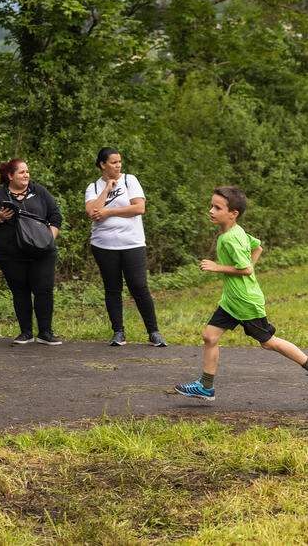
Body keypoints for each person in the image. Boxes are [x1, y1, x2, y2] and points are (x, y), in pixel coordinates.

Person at [175, 187, 308, 401]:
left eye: (217, 207)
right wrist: (247, 272)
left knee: (269, 342)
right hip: (231, 301)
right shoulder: (236, 232)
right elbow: (258, 248)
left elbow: (245, 268)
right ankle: (205, 386)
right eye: (212, 206)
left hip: (245, 302)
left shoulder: (231, 239)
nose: (211, 210)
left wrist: (217, 267)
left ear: (233, 213)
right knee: (209, 336)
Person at [84, 147, 167, 347]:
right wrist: (107, 189)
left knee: (139, 286)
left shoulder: (130, 180)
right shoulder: (93, 187)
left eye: (119, 161)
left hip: (132, 243)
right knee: (112, 289)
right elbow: (92, 211)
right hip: (104, 245)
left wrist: (108, 213)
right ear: (103, 164)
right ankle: (118, 332)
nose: (118, 165)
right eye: (113, 162)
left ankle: (153, 332)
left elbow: (139, 208)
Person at [0, 159, 63, 345]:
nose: (26, 175)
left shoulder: (39, 191)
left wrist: (49, 239)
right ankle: (26, 332)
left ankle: (45, 333)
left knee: (44, 290)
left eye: (27, 171)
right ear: (10, 176)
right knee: (20, 291)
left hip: (42, 253)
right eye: (21, 172)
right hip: (11, 255)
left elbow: (56, 216)